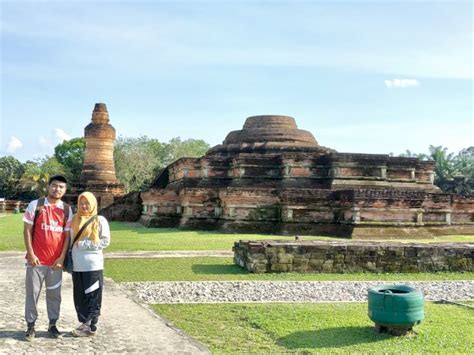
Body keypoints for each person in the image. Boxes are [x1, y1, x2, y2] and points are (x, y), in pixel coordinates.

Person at [22, 174, 73, 341]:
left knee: (54, 295)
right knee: (32, 294)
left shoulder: (66, 209)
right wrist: (31, 253)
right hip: (36, 261)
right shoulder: (35, 205)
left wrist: (61, 258)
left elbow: (66, 236)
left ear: (64, 190)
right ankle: (30, 326)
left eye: (61, 187)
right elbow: (27, 230)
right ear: (48, 187)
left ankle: (52, 325)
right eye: (54, 185)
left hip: (55, 263)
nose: (57, 189)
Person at [70, 191, 110, 337]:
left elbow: (105, 241)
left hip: (92, 266)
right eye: (81, 203)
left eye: (87, 203)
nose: (84, 206)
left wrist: (85, 244)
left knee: (92, 295)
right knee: (79, 296)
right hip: (77, 266)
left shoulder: (99, 220)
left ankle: (91, 326)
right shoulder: (74, 219)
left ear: (93, 204)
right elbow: (69, 241)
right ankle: (84, 322)